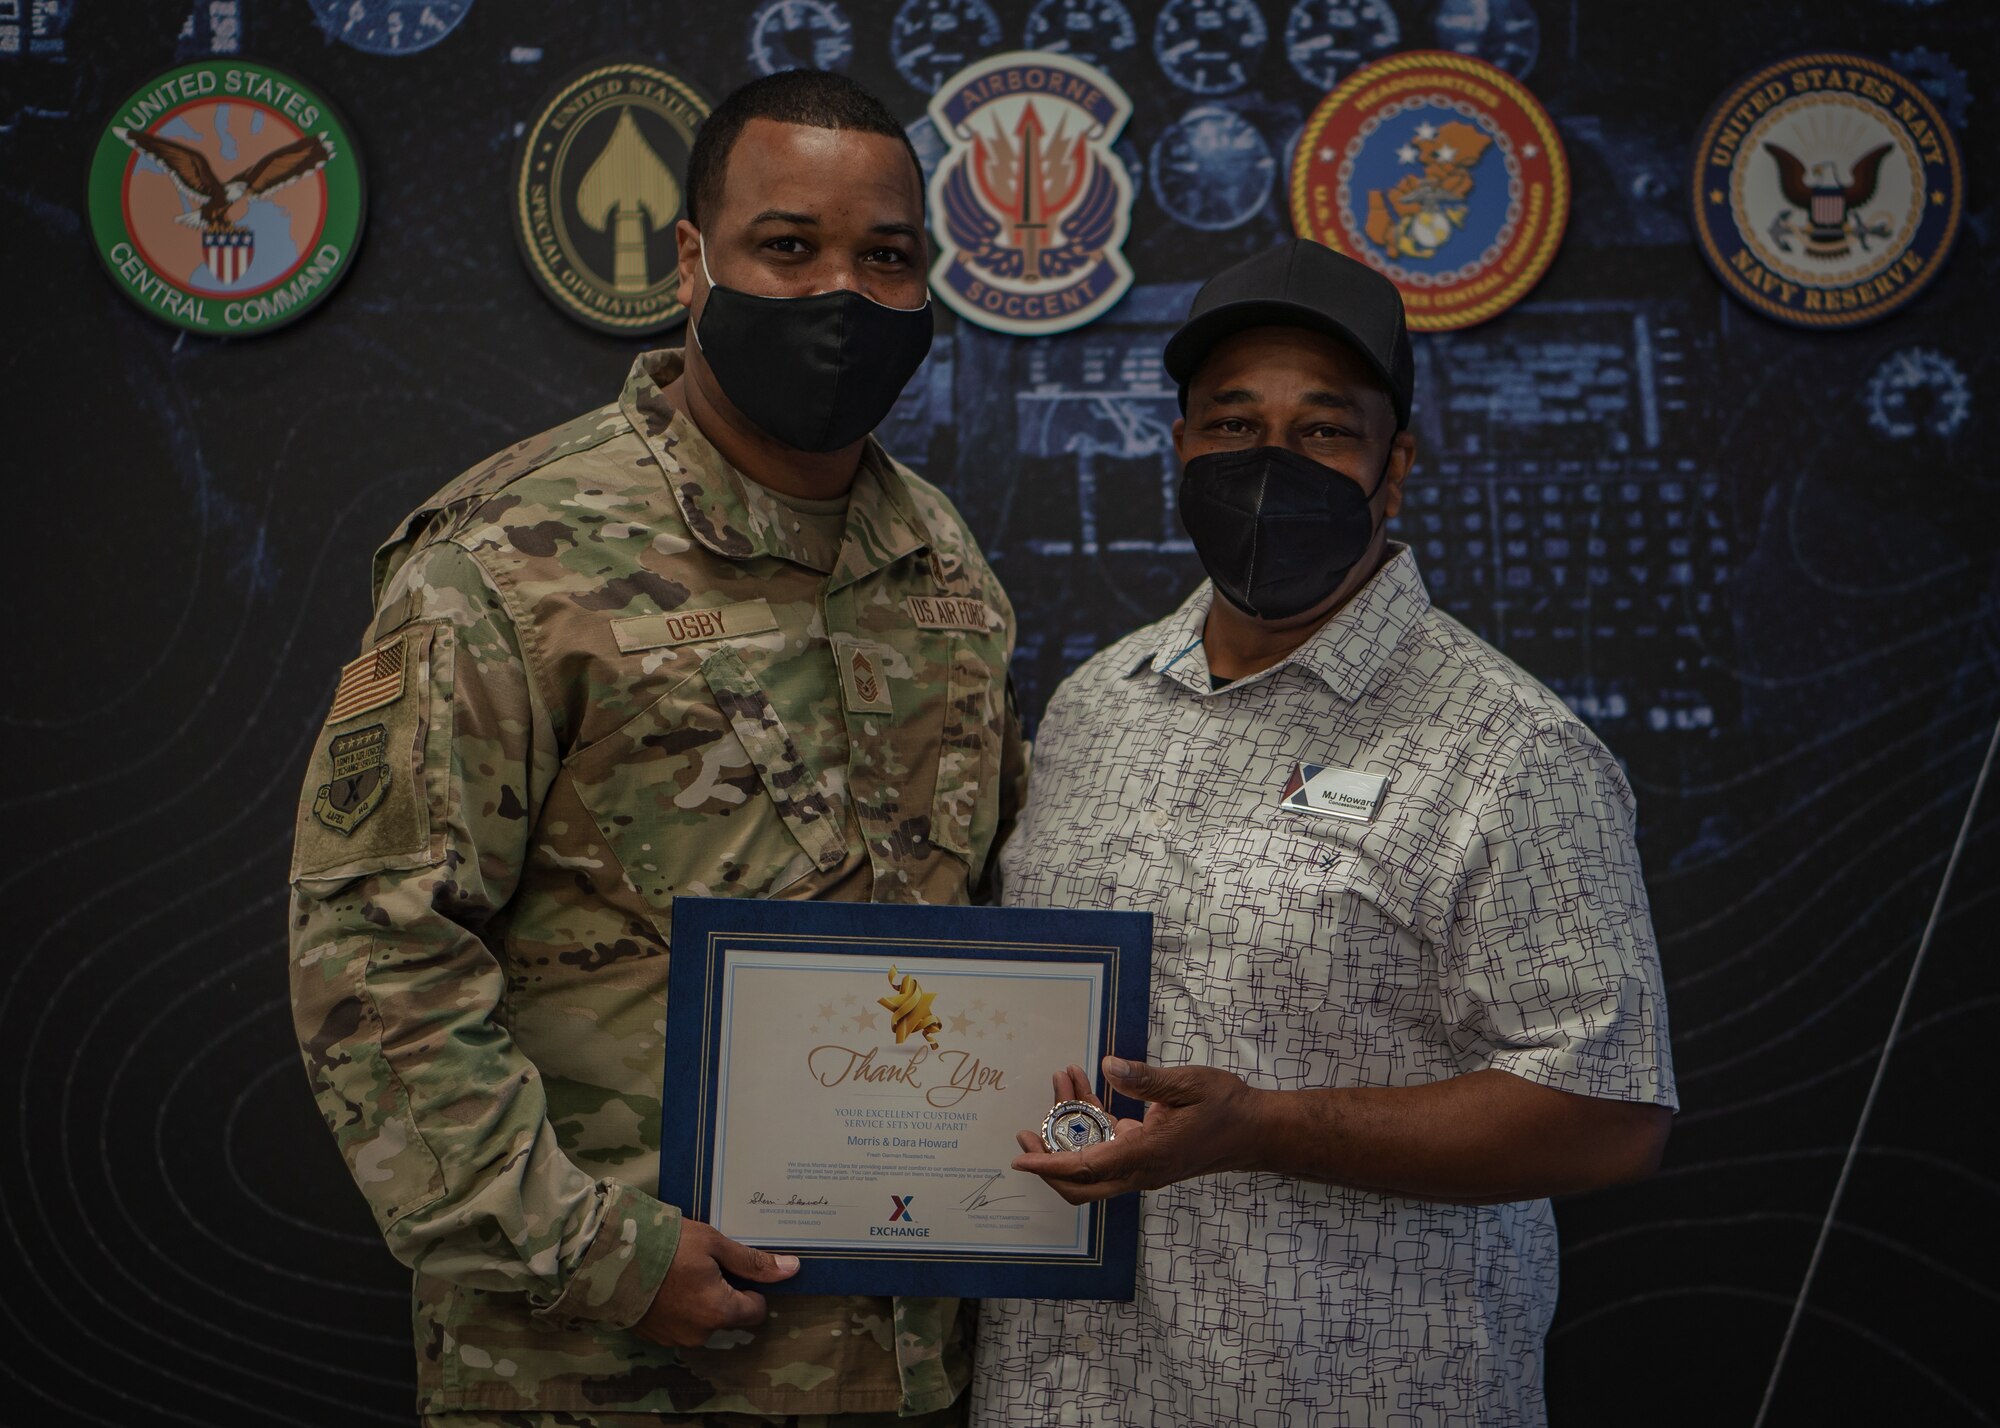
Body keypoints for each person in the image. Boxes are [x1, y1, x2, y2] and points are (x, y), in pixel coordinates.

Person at [287, 70, 1025, 1427]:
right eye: (788, 247)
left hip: (906, 1364)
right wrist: (600, 1253)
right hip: (602, 1368)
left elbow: (977, 925)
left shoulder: (941, 563)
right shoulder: (513, 556)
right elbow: (371, 956)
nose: (840, 295)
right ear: (692, 261)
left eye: (887, 258)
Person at [971, 239, 1676, 1426]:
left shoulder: (1509, 746)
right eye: (1230, 426)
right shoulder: (1094, 701)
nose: (1268, 464)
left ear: (1393, 469)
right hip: (1065, 1391)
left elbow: (1607, 1117)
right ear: (1178, 450)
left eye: (1322, 432)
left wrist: (1261, 1129)